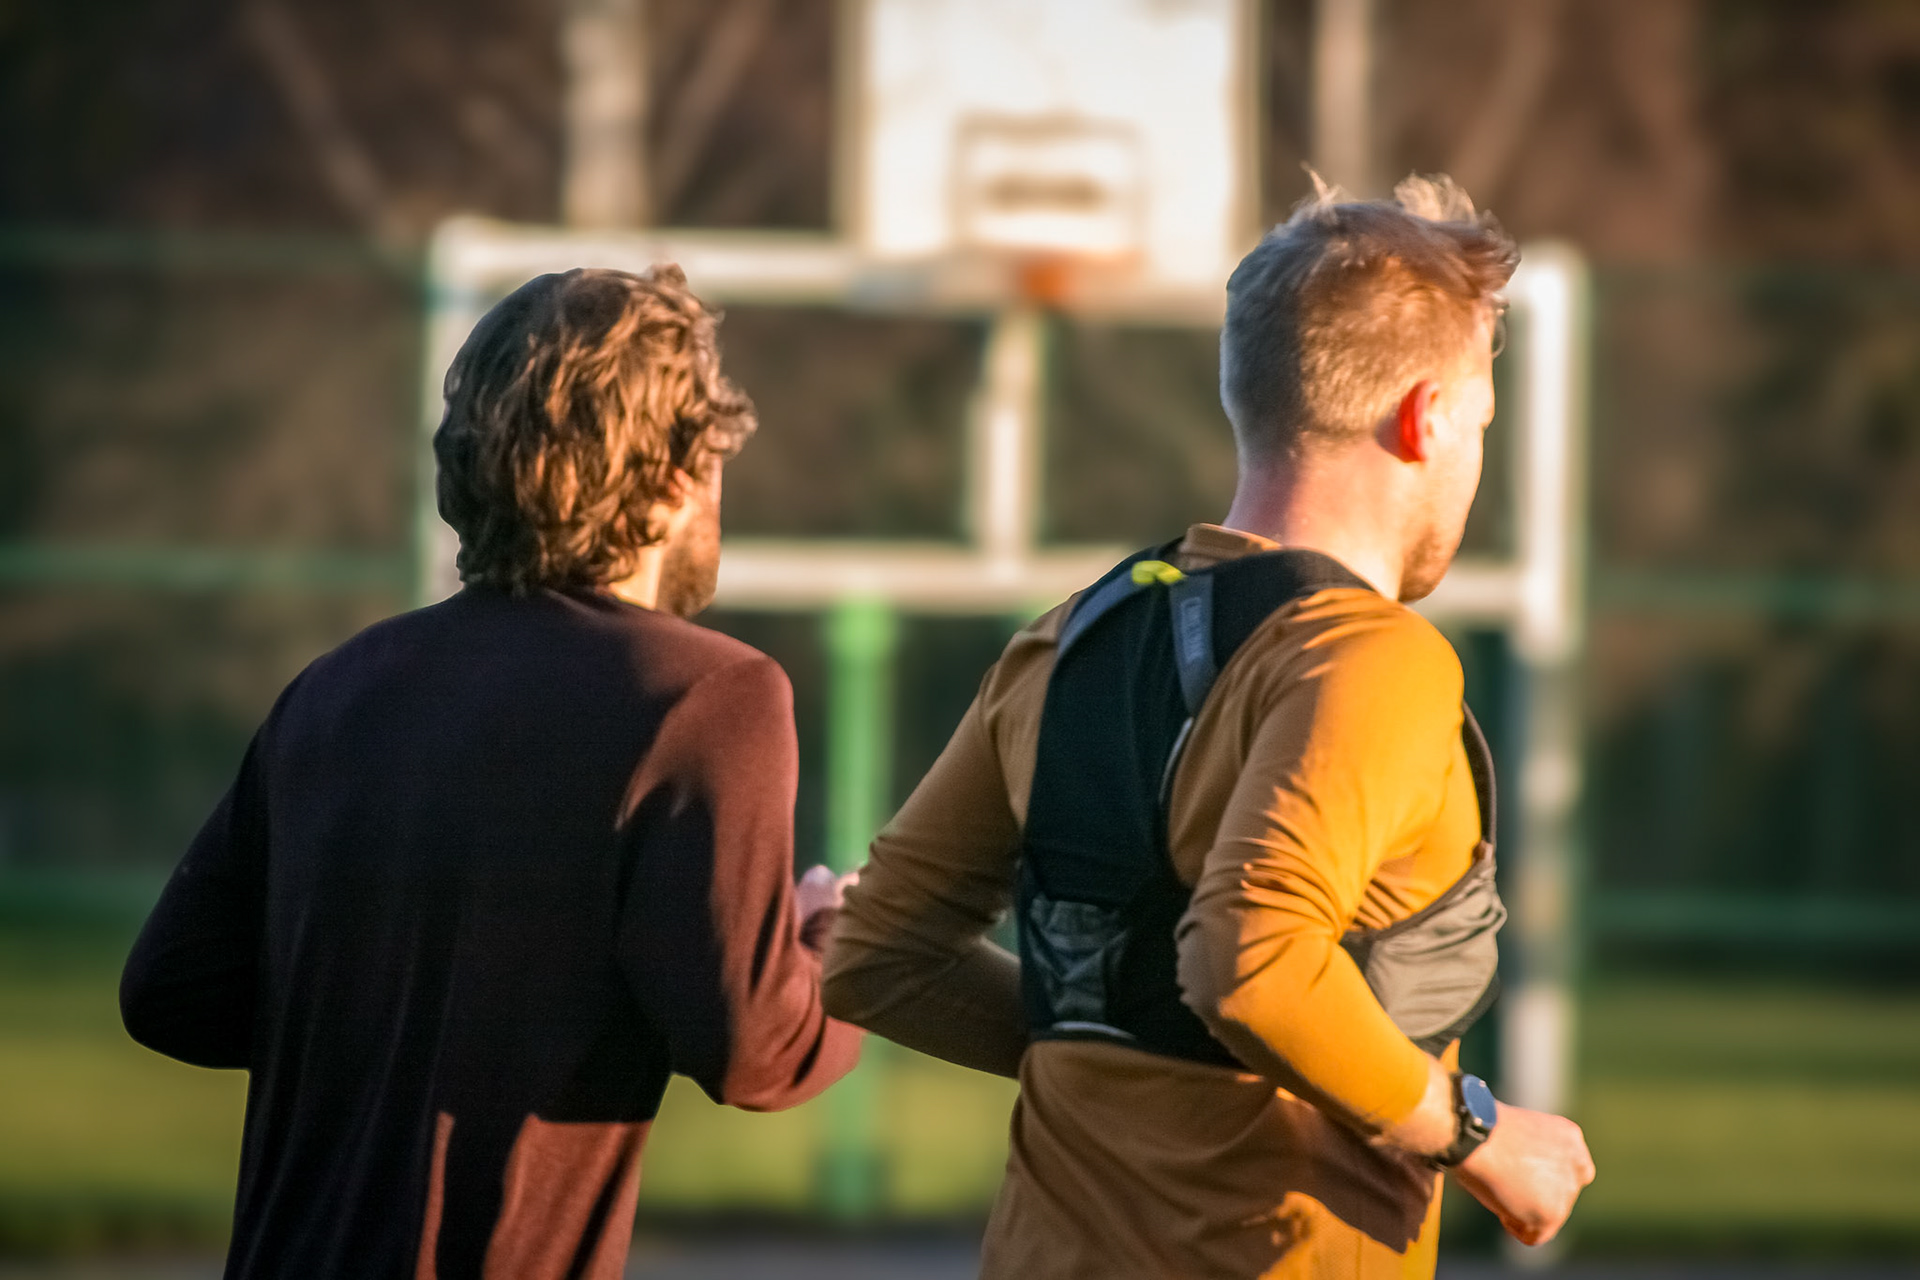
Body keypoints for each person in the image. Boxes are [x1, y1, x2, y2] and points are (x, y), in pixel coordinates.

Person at [823, 175, 1595, 1278]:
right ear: (1425, 417)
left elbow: (876, 958)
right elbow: (1251, 966)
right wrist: (1475, 1129)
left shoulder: (1064, 641)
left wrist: (1116, 1048)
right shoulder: (1375, 655)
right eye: (1476, 422)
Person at [121, 266, 861, 1280]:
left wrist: (403, 1013)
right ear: (682, 470)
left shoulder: (335, 688)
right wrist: (839, 947)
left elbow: (173, 993)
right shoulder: (712, 696)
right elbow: (758, 1050)